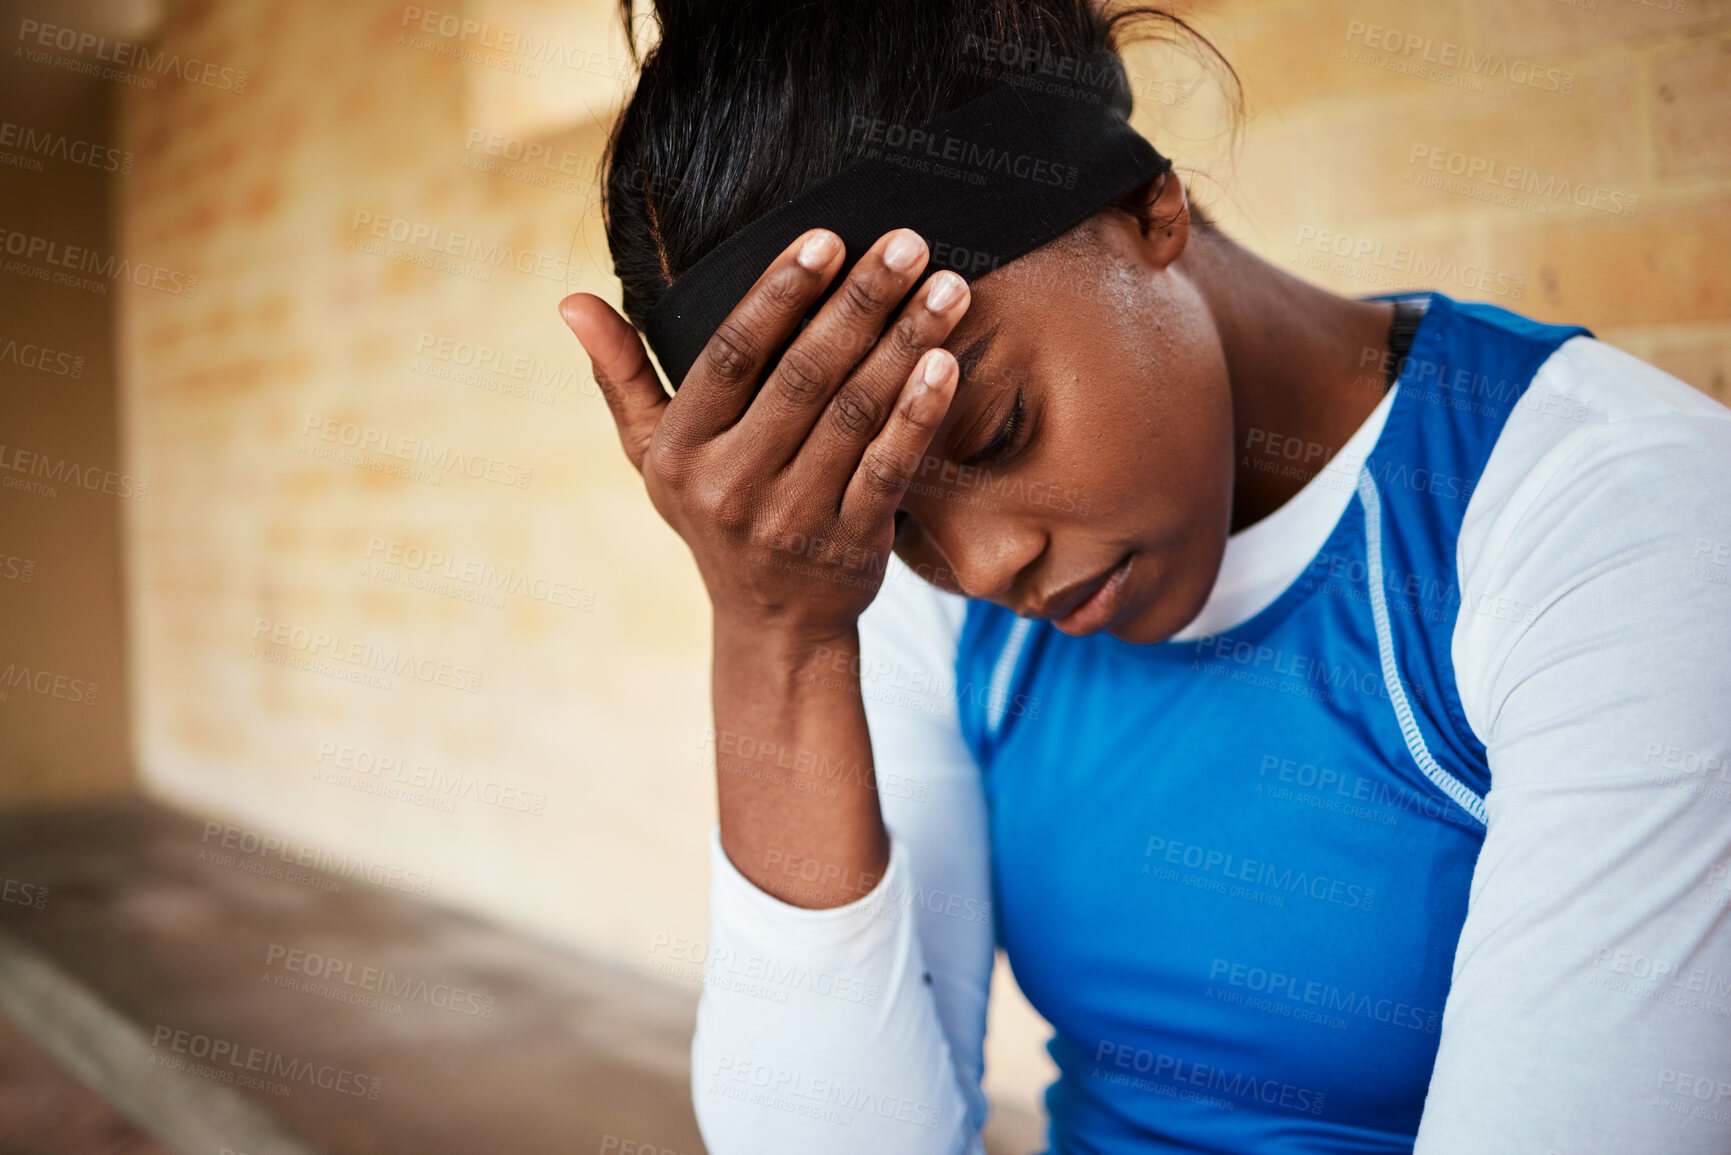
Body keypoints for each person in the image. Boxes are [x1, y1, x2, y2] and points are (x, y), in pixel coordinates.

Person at [557, 1, 1731, 1152]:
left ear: (1147, 205)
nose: (980, 566)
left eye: (997, 429)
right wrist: (776, 642)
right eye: (897, 518)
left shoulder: (1610, 521)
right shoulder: (895, 587)